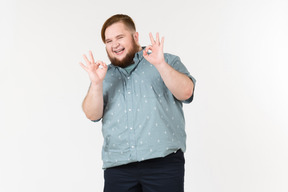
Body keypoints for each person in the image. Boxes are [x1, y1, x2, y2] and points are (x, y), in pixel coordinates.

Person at [80, 14, 196, 192]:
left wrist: (161, 64)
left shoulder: (166, 61)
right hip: (118, 167)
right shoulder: (104, 75)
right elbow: (92, 114)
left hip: (163, 164)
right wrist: (96, 83)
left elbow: (186, 92)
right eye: (109, 40)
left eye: (120, 37)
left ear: (135, 37)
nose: (114, 44)